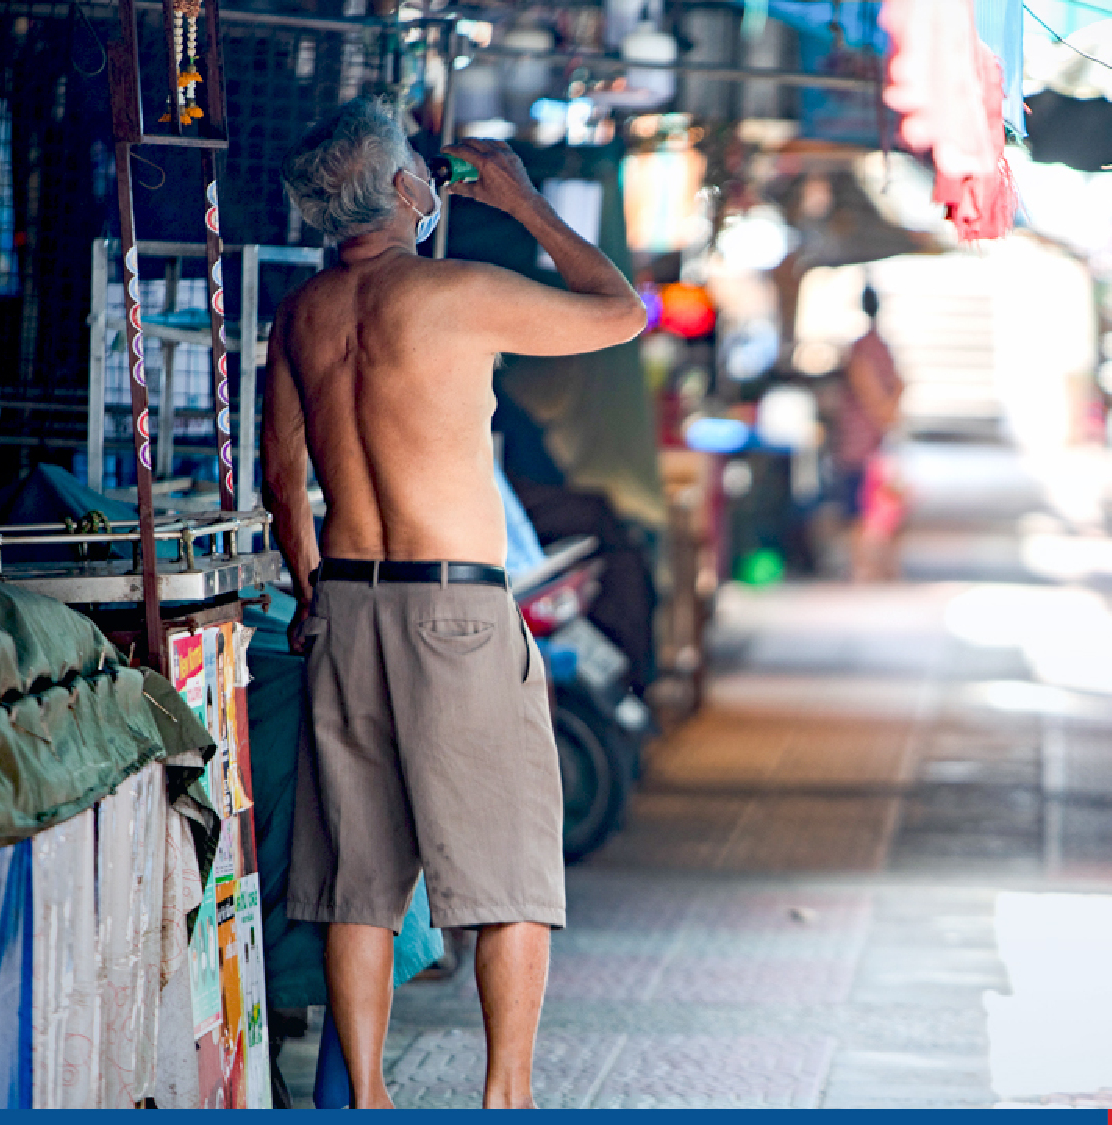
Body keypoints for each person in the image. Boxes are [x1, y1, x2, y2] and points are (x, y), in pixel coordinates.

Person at [263, 96, 646, 1109]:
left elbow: (279, 476)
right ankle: (504, 1101)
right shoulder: (454, 293)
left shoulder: (300, 315)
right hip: (455, 612)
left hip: (345, 607)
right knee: (510, 871)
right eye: (421, 173)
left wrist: (309, 597)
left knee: (359, 886)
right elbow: (618, 309)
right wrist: (521, 204)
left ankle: (371, 1104)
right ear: (400, 190)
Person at [833, 285, 905, 581]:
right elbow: (898, 384)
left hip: (861, 440)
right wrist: (888, 413)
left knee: (865, 504)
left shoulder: (864, 347)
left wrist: (883, 412)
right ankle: (873, 565)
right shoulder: (882, 347)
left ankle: (865, 566)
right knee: (876, 503)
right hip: (874, 436)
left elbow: (868, 388)